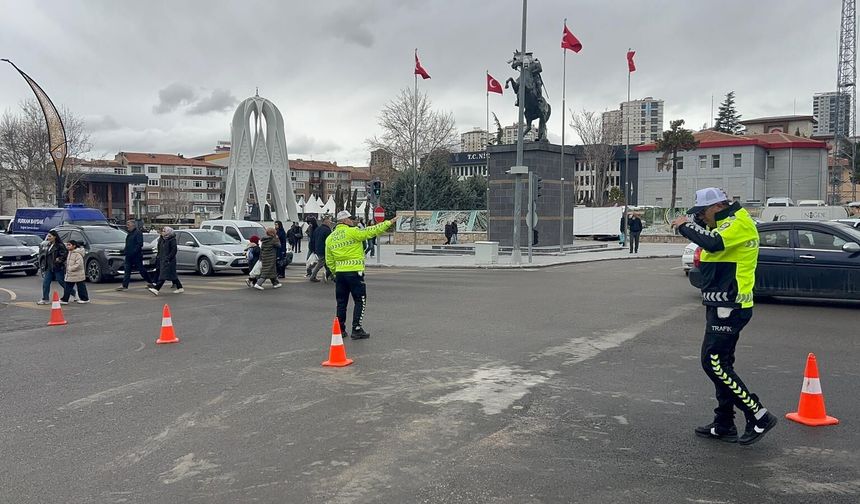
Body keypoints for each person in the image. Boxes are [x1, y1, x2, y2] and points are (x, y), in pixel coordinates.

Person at [671, 187, 777, 446]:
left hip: (730, 306)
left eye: (703, 213)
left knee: (714, 364)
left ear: (717, 207)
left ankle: (758, 414)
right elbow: (712, 238)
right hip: (720, 304)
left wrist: (685, 225)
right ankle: (724, 423)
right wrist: (695, 221)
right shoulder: (725, 222)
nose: (702, 218)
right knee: (722, 365)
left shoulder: (738, 222)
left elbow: (713, 243)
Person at [325, 210, 398, 339]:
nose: (352, 221)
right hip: (354, 272)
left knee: (341, 302)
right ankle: (356, 328)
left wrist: (334, 273)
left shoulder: (330, 238)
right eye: (350, 219)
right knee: (360, 300)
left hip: (340, 274)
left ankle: (340, 329)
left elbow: (329, 259)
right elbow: (371, 231)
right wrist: (389, 222)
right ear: (345, 221)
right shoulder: (352, 232)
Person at [117, 219, 153, 290]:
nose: (127, 227)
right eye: (127, 225)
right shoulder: (129, 234)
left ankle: (151, 282)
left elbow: (140, 244)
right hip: (128, 256)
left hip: (136, 256)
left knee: (141, 270)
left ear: (133, 225)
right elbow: (128, 244)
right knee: (127, 270)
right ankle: (124, 285)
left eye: (129, 225)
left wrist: (134, 252)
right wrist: (125, 251)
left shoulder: (138, 233)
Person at [38, 230, 72, 304]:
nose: (48, 238)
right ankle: (45, 299)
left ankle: (73, 293)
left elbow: (64, 254)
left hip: (58, 267)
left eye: (50, 236)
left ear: (55, 237)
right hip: (49, 267)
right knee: (46, 283)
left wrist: (59, 260)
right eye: (48, 236)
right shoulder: (49, 245)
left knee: (61, 282)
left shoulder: (60, 245)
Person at [147, 227, 184, 296]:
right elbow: (160, 249)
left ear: (168, 232)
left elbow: (174, 250)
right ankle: (180, 287)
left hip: (169, 261)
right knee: (173, 275)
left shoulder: (172, 240)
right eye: (162, 231)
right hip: (162, 259)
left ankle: (156, 289)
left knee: (163, 275)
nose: (162, 232)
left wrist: (168, 258)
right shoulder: (163, 239)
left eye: (164, 231)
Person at [60, 240, 90, 304]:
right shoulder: (70, 252)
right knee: (68, 287)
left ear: (74, 246)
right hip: (71, 274)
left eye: (69, 245)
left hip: (77, 273)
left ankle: (85, 299)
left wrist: (71, 268)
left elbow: (79, 264)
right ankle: (65, 299)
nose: (68, 246)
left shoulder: (77, 254)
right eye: (67, 245)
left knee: (81, 287)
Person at [309, 214, 332, 282]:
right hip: (324, 249)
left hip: (317, 248)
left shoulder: (317, 229)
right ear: (326, 222)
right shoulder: (327, 230)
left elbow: (313, 239)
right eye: (329, 221)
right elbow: (329, 241)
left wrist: (312, 249)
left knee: (325, 263)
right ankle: (312, 276)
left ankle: (331, 276)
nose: (330, 223)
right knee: (321, 263)